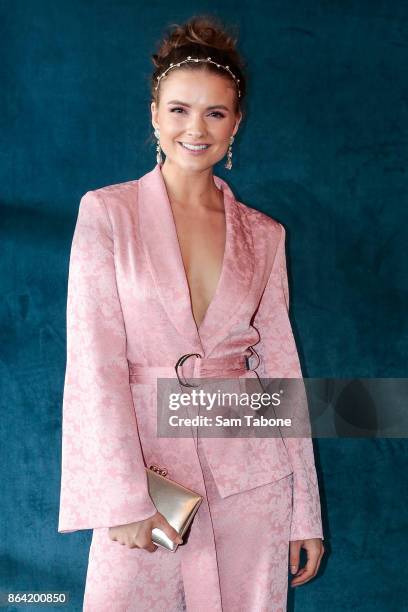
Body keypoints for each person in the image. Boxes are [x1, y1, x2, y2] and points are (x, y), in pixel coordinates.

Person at [58, 14, 324, 612]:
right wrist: (119, 497)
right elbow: (93, 365)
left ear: (237, 123)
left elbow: (281, 374)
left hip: (252, 482)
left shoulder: (265, 236)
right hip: (148, 478)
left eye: (215, 112)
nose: (195, 129)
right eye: (179, 109)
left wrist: (304, 508)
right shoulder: (108, 214)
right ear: (154, 114)